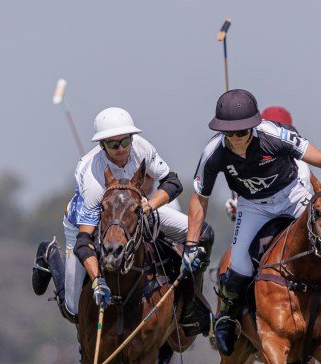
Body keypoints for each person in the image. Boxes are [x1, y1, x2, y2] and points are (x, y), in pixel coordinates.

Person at [182, 89, 321, 356]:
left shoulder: (275, 135)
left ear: (253, 126)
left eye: (242, 132)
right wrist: (190, 243)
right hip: (253, 206)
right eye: (229, 133)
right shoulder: (214, 152)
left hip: (293, 197)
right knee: (239, 265)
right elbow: (200, 199)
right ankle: (227, 320)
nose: (236, 139)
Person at [32, 107, 213, 335]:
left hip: (135, 211)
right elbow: (83, 241)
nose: (121, 149)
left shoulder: (142, 148)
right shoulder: (92, 179)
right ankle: (50, 255)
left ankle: (190, 305)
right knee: (73, 309)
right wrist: (97, 280)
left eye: (125, 141)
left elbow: (173, 182)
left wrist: (150, 204)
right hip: (95, 219)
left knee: (202, 234)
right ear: (102, 145)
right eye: (113, 144)